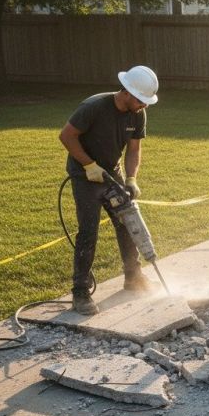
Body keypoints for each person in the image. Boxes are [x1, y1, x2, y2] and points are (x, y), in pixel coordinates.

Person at [59, 66, 159, 315]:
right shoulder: (94, 107)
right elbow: (66, 136)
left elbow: (134, 149)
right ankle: (80, 292)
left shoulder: (138, 114)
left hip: (112, 174)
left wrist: (132, 179)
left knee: (126, 223)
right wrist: (89, 165)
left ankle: (133, 277)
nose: (144, 106)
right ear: (126, 92)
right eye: (141, 100)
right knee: (88, 231)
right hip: (85, 175)